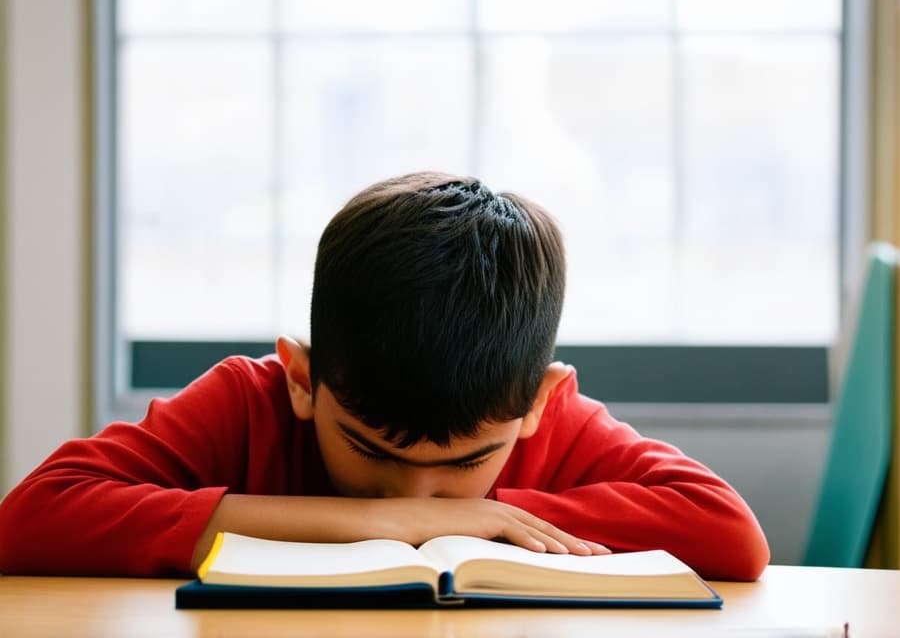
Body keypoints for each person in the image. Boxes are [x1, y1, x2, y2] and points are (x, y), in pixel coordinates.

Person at [0, 172, 769, 580]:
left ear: (540, 401)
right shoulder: (248, 400)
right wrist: (376, 526)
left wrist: (477, 522)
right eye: (371, 451)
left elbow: (729, 535)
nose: (415, 496)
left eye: (466, 465)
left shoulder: (540, 411)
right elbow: (31, 520)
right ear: (302, 379)